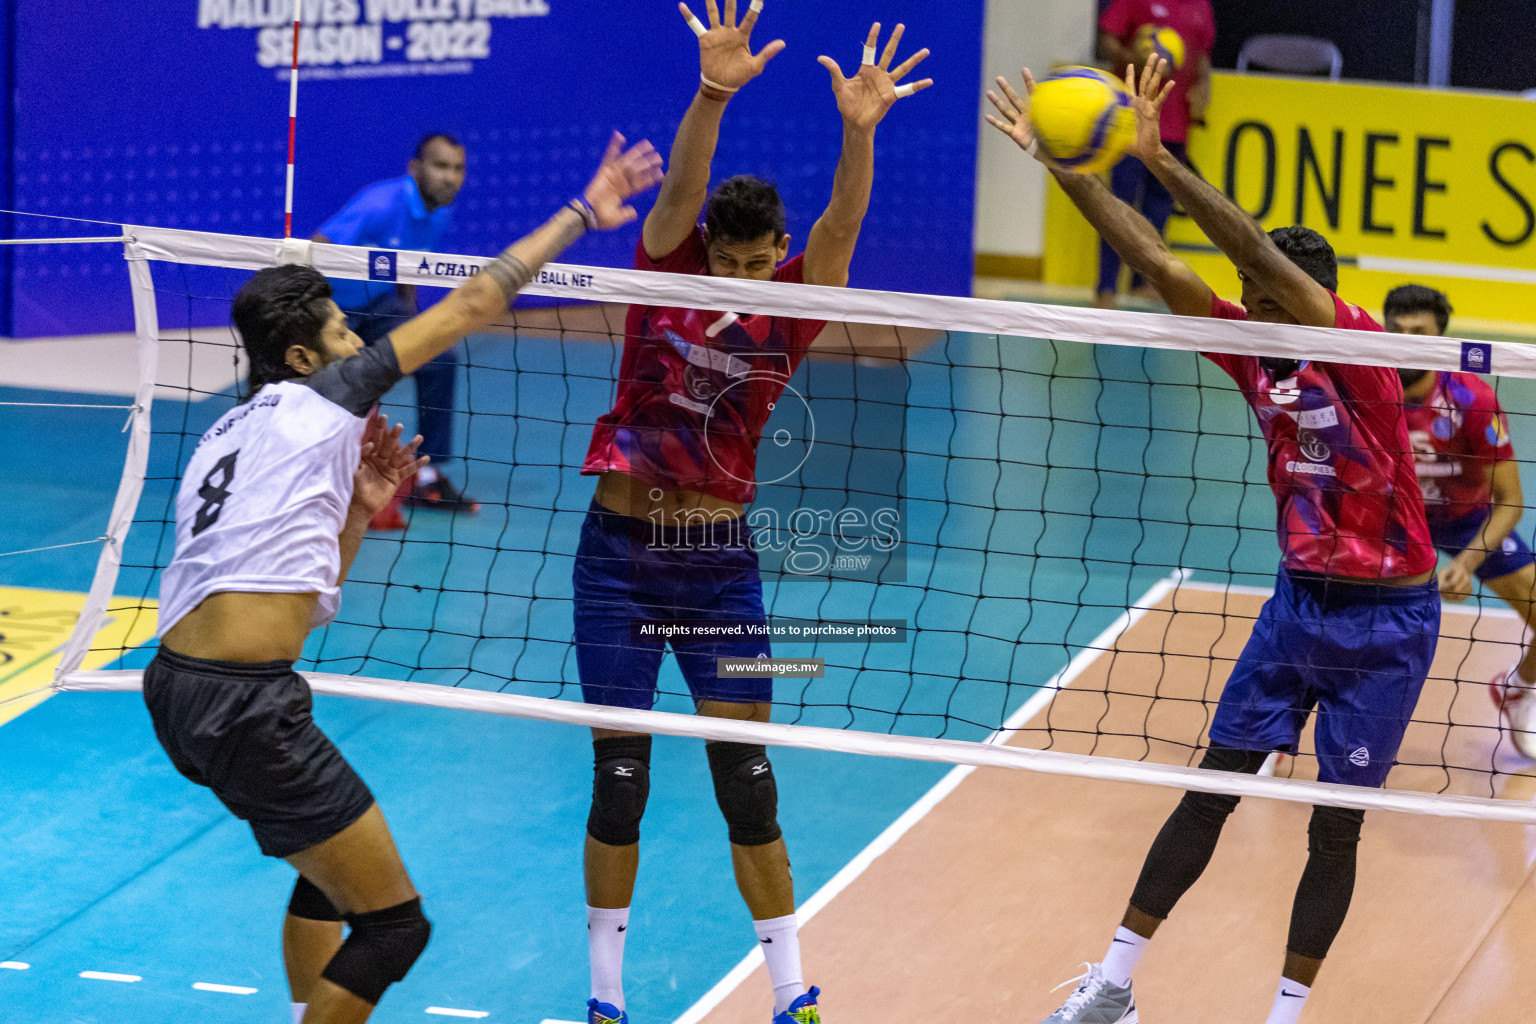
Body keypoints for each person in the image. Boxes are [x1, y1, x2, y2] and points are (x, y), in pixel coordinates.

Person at [144, 135, 662, 1024]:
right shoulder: (328, 395)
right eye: (343, 331)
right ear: (305, 358)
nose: (361, 337)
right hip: (245, 703)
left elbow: (297, 612)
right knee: (395, 929)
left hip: (180, 690)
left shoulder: (224, 435)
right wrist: (585, 209)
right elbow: (471, 303)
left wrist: (357, 510)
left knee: (326, 883)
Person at [987, 60, 1438, 1024]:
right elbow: (1162, 262)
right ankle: (1112, 986)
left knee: (1335, 832)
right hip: (1297, 609)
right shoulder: (1250, 344)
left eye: (1269, 298)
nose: (1253, 309)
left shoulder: (1359, 353)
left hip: (1391, 623)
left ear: (1312, 302)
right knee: (1209, 790)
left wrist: (1163, 156)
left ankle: (1283, 1014)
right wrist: (1064, 166)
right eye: (1251, 297)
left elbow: (1242, 248)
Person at [571, 4, 931, 1023]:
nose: (730, 275)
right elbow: (683, 183)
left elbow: (842, 225)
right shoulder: (659, 267)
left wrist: (857, 133)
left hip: (717, 559)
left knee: (748, 783)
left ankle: (792, 995)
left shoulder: (793, 299)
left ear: (771, 251)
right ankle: (606, 1000)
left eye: (746, 258)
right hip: (618, 557)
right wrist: (714, 92)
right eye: (718, 258)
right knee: (621, 781)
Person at [1386, 284, 1536, 756]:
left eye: (1419, 332)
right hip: (1391, 518)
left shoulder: (1471, 398)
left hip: (1465, 518)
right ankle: (1281, 724)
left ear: (1441, 339)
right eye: (1396, 330)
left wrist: (1466, 565)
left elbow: (1510, 501)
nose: (1406, 340)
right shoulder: (1366, 388)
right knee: (1331, 615)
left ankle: (1515, 690)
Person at [314, 133, 479, 515]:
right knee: (337, 389)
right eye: (441, 166)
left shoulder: (439, 210)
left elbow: (409, 265)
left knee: (439, 357)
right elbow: (318, 246)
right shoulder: (380, 204)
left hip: (378, 306)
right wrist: (318, 319)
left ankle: (428, 478)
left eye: (458, 168)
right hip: (335, 312)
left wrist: (415, 329)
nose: (450, 177)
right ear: (414, 169)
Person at [1094, 0, 1215, 309]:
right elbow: (1105, 42)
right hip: (1130, 122)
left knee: (1159, 207)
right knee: (1119, 205)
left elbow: (1201, 57)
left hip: (1175, 124)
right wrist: (1130, 56)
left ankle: (1142, 283)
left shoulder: (1201, 5)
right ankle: (1106, 287)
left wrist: (1204, 90)